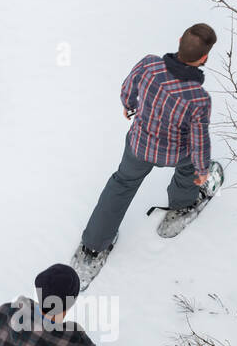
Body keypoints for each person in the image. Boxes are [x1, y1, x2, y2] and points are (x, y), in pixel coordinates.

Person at [72, 23, 218, 282]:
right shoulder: (198, 98)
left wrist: (128, 105)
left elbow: (129, 87)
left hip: (140, 144)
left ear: (179, 40)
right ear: (204, 57)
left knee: (122, 183)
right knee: (188, 169)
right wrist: (201, 170)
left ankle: (93, 246)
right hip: (175, 152)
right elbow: (199, 139)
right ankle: (181, 206)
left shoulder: (149, 65)